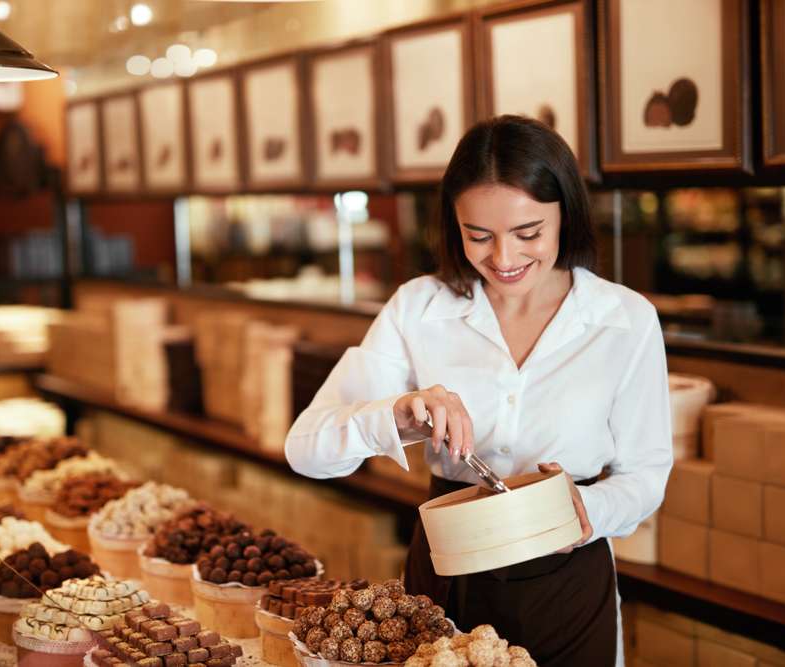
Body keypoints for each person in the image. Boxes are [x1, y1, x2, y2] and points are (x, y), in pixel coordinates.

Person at [284, 115, 673, 667]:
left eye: (529, 233)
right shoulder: (419, 308)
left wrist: (588, 509)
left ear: (567, 213)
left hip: (568, 580)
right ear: (453, 224)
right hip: (445, 580)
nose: (505, 259)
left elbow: (648, 472)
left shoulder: (625, 320)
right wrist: (397, 416)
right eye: (479, 236)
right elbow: (305, 449)